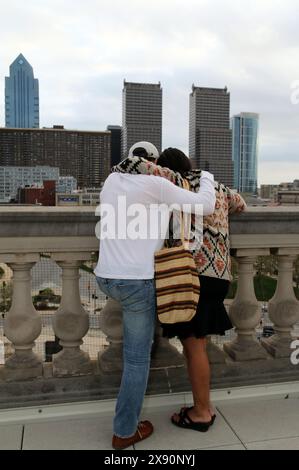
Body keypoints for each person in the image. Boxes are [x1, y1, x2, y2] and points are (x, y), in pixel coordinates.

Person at [111, 147, 246, 433]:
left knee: (194, 346)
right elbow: (240, 203)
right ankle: (202, 406)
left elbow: (134, 169)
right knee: (197, 345)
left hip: (188, 274)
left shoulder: (171, 184)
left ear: (165, 168)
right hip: (219, 274)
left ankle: (202, 412)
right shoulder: (216, 188)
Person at [94, 142, 216, 449]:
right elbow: (206, 205)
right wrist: (208, 176)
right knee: (136, 361)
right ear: (153, 162)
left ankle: (126, 420)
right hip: (137, 282)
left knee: (130, 355)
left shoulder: (111, 181)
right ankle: (124, 432)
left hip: (106, 275)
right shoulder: (156, 184)